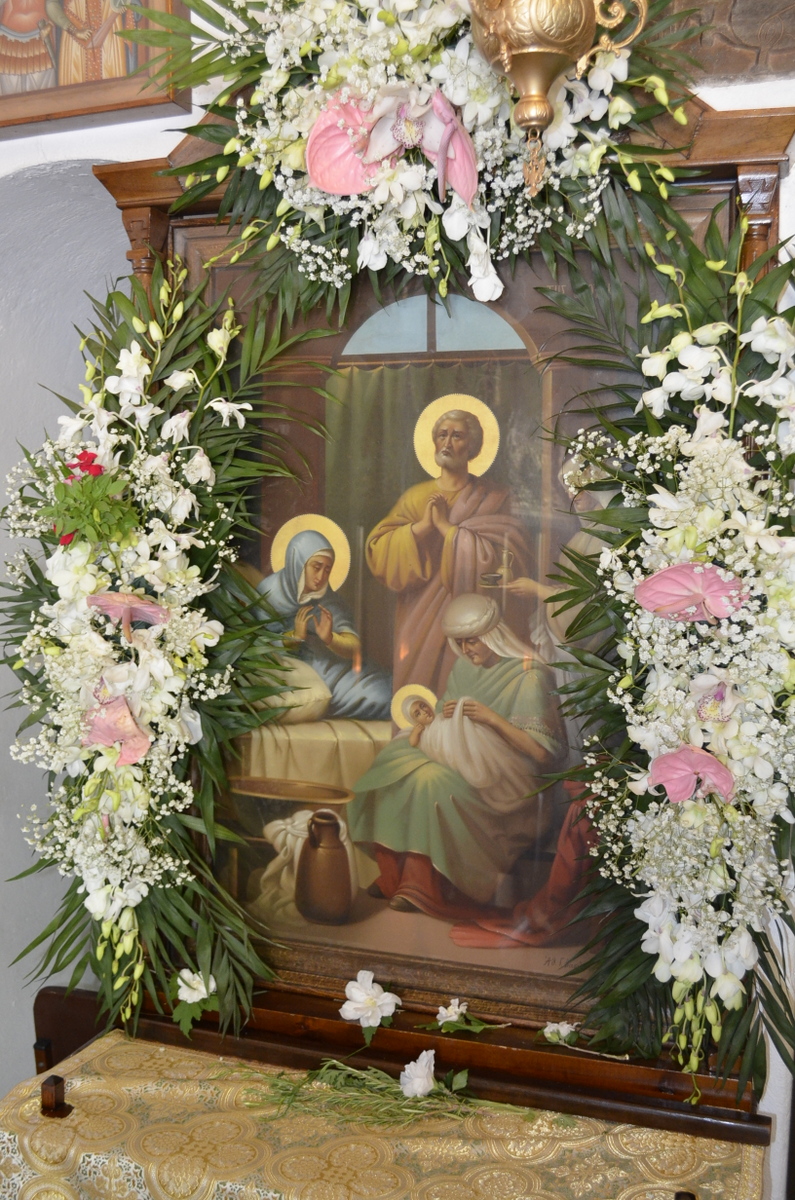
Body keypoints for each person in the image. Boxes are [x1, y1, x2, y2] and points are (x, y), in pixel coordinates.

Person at [346, 593, 565, 918]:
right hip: (462, 761)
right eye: (459, 643)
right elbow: (441, 714)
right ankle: (393, 876)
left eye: (472, 641)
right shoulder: (463, 668)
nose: (465, 650)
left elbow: (543, 755)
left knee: (428, 780)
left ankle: (421, 886)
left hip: (507, 783)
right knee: (394, 764)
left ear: (493, 634)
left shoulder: (529, 676)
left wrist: (491, 718)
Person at [366, 408, 529, 697]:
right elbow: (380, 551)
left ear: (472, 445)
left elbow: (509, 555)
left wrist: (445, 528)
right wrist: (422, 527)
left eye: (457, 436)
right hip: (420, 615)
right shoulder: (415, 497)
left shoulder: (495, 497)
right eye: (442, 435)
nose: (448, 443)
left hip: (474, 612)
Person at [256, 528, 391, 721]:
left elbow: (353, 645)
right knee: (378, 698)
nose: (321, 577)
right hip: (300, 671)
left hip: (335, 666)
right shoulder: (267, 594)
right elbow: (256, 644)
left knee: (386, 689)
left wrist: (330, 638)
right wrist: (293, 638)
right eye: (316, 567)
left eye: (327, 569)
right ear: (298, 562)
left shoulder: (328, 599)